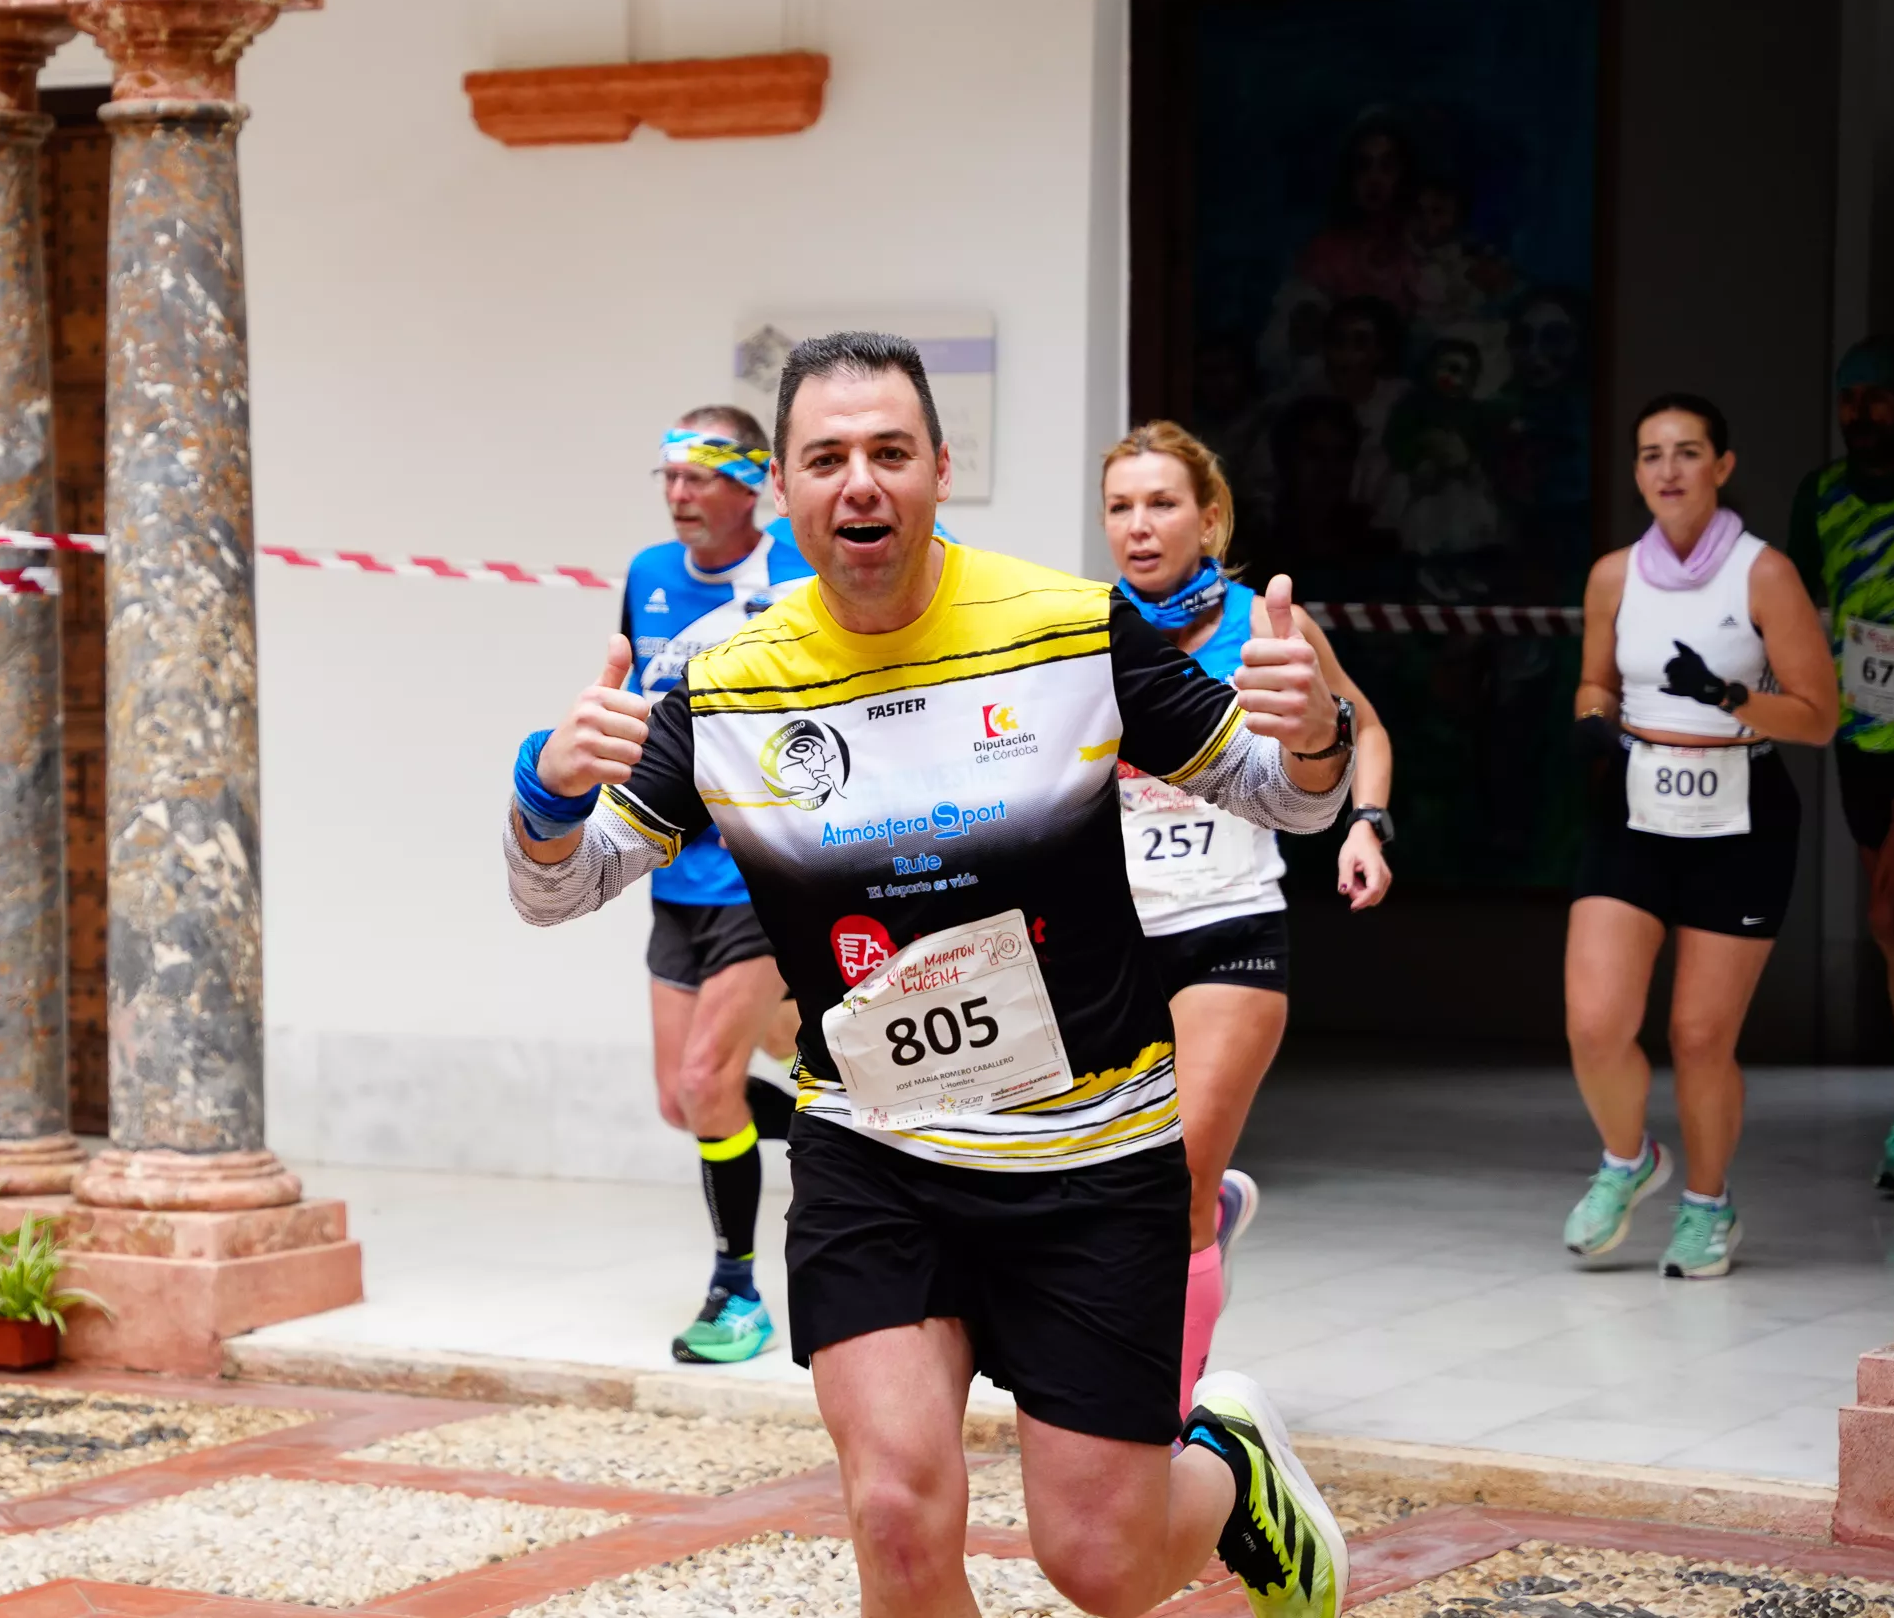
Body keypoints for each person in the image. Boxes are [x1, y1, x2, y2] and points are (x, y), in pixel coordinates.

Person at [508, 332, 1353, 1618]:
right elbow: (555, 888)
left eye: (891, 452)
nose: (862, 483)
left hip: (1090, 1156)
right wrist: (547, 790)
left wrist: (1315, 739)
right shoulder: (727, 681)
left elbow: (1282, 799)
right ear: (785, 491)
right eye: (828, 457)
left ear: (939, 471)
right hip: (876, 1152)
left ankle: (1231, 1464)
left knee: (1102, 1562)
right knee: (898, 1516)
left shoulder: (1067, 629)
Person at [1101, 421, 1396, 1402]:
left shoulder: (1266, 627)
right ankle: (1206, 1223)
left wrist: (1367, 825)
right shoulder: (1085, 630)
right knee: (1103, 1182)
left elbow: (1364, 728)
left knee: (1174, 1178)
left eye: (1162, 503)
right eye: (1121, 507)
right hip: (1109, 938)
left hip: (1228, 924)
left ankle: (1163, 1411)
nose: (1139, 526)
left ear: (1210, 516)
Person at [1566, 395, 1837, 1277]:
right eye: (1651, 455)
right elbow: (1595, 682)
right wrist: (1594, 720)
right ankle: (1626, 1159)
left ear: (1722, 467)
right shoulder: (1614, 575)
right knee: (1597, 1021)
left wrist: (1725, 698)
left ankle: (1709, 1206)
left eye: (1688, 453)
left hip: (1740, 810)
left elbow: (1820, 717)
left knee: (1697, 1037)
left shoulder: (1764, 575)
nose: (1668, 471)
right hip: (1637, 803)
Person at [619, 407, 815, 1364]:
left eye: (700, 476)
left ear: (753, 484)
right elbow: (636, 694)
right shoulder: (649, 578)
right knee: (684, 1098)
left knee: (706, 1080)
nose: (679, 495)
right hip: (676, 872)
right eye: (668, 477)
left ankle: (738, 1291)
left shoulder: (792, 573)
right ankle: (839, 1125)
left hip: (761, 868)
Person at [1782, 341, 1894, 1192]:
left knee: (1885, 911)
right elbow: (1794, 603)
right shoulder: (1823, 497)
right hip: (1862, 736)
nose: (1861, 412)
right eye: (1849, 398)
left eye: (1879, 398)